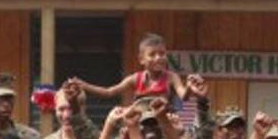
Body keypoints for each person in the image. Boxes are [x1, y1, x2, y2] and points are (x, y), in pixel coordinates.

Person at [70, 32, 207, 106]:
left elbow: (183, 96)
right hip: (140, 125)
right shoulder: (136, 79)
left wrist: (189, 87)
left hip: (164, 126)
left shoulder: (171, 77)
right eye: (152, 54)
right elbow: (109, 92)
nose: (158, 57)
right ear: (141, 59)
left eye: (162, 53)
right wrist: (85, 86)